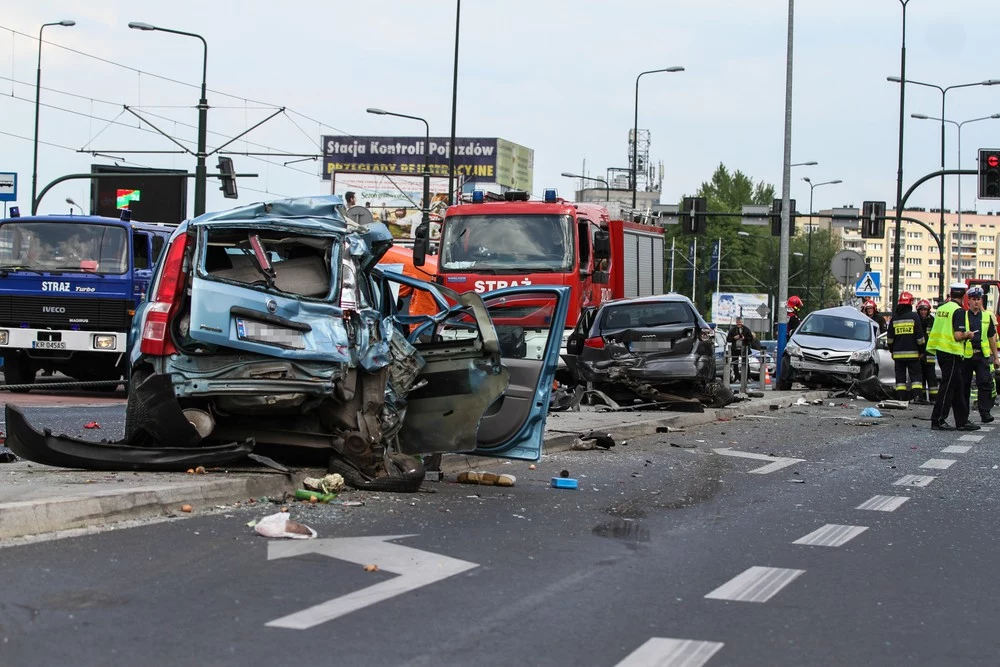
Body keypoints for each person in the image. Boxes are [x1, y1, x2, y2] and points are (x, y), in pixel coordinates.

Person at [927, 282, 973, 431]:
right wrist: (969, 335)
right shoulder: (958, 311)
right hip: (952, 352)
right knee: (947, 387)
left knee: (957, 386)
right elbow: (958, 335)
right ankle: (938, 419)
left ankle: (962, 421)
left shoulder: (942, 308)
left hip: (941, 351)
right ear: (964, 296)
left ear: (951, 293)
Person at [962, 285, 999, 424]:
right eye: (973, 299)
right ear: (969, 301)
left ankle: (985, 413)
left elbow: (991, 337)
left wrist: (995, 357)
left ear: (981, 300)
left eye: (978, 299)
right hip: (966, 356)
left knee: (985, 384)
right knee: (964, 385)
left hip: (982, 355)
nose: (976, 302)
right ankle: (963, 415)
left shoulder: (986, 316)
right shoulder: (963, 315)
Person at [886, 291, 925, 402]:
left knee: (900, 377)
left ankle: (901, 397)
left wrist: (892, 351)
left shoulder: (894, 318)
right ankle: (917, 397)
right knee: (916, 377)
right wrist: (921, 350)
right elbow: (920, 337)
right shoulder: (914, 316)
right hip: (913, 354)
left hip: (898, 354)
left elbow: (889, 339)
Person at [915, 299, 938, 403]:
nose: (923, 312)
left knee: (931, 377)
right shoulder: (916, 320)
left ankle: (934, 398)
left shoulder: (932, 321)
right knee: (921, 377)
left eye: (925, 310)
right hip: (919, 353)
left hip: (930, 353)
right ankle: (923, 397)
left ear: (928, 310)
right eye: (921, 310)